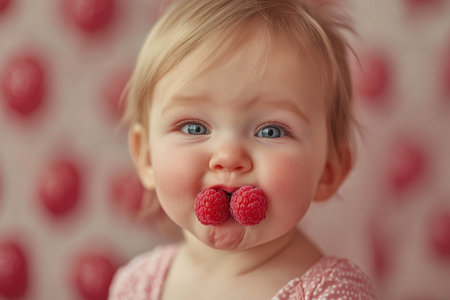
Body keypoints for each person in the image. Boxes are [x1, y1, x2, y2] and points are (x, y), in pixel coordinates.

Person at [109, 0, 377, 299]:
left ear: (328, 171)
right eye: (194, 128)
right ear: (146, 157)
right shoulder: (135, 284)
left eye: (271, 131)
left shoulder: (331, 294)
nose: (228, 157)